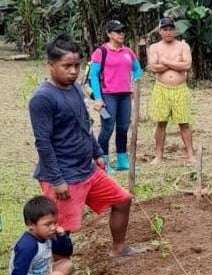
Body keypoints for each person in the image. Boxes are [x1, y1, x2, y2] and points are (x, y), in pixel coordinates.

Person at [29, 34, 146, 258]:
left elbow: (85, 124)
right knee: (61, 230)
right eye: (66, 66)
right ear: (50, 65)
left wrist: (97, 153)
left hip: (87, 168)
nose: (73, 71)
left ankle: (119, 249)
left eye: (76, 66)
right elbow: (43, 143)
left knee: (122, 199)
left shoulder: (75, 89)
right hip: (64, 175)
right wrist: (57, 180)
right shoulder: (42, 99)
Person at [7, 196, 85, 275]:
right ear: (31, 225)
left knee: (67, 264)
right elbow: (18, 273)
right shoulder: (27, 246)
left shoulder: (47, 235)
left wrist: (62, 236)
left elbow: (66, 251)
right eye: (48, 224)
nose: (53, 227)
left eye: (55, 222)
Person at [89, 19, 143, 171]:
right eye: (117, 31)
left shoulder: (128, 52)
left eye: (122, 31)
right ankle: (102, 162)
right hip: (108, 95)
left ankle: (122, 160)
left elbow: (138, 70)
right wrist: (98, 99)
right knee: (107, 129)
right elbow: (93, 76)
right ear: (109, 34)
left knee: (123, 127)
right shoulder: (101, 52)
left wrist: (132, 83)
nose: (121, 34)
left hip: (125, 96)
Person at [148, 17, 195, 165]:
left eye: (171, 29)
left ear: (174, 30)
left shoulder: (183, 46)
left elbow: (187, 65)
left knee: (184, 123)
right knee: (161, 122)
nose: (168, 32)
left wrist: (166, 62)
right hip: (161, 89)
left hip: (180, 89)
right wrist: (177, 64)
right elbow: (153, 67)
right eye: (165, 29)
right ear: (160, 31)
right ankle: (159, 155)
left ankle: (190, 154)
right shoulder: (154, 47)